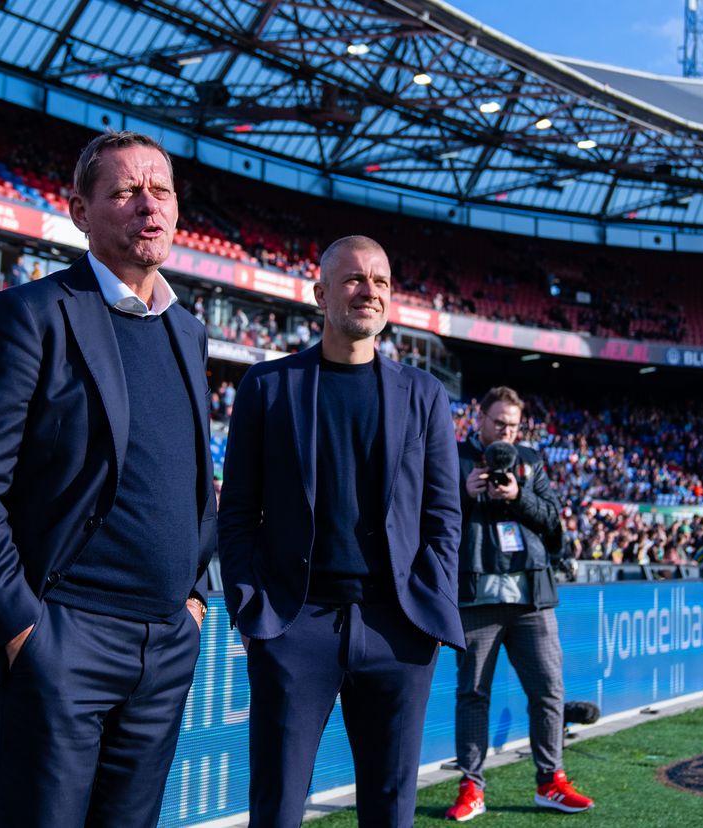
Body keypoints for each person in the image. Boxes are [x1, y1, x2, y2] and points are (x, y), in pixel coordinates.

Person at [0, 130, 217, 828]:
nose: (147, 207)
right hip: (62, 643)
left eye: (161, 191)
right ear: (79, 211)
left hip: (163, 644)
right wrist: (25, 633)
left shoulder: (188, 330)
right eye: (124, 192)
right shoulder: (30, 316)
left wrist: (193, 597)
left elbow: (191, 479)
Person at [218, 235, 463, 828]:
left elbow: (444, 516)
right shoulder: (268, 386)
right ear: (320, 293)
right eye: (354, 279)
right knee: (275, 810)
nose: (369, 291)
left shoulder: (425, 395)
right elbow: (237, 510)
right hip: (294, 626)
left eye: (380, 281)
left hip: (397, 630)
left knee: (390, 813)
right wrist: (253, 615)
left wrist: (428, 611)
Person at [446, 386, 594, 822]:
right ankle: (471, 786)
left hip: (532, 598)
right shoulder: (453, 458)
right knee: (473, 694)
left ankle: (551, 781)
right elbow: (428, 519)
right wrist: (464, 493)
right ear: (480, 419)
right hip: (476, 597)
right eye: (498, 423)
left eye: (512, 425)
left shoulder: (531, 462)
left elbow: (554, 525)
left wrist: (517, 497)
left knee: (549, 692)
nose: (506, 432)